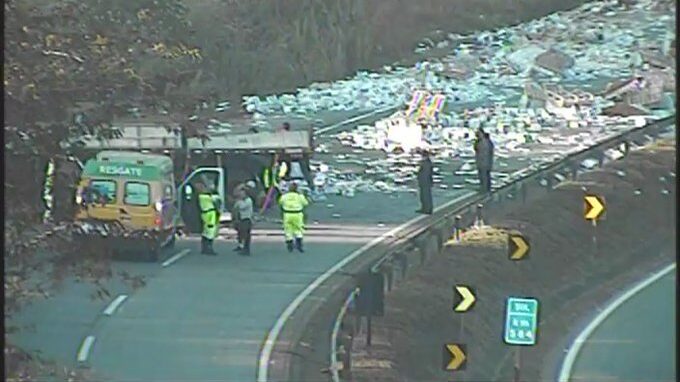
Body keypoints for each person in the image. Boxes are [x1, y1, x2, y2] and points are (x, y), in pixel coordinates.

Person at [278, 182, 309, 253]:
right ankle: (299, 245)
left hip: (287, 214)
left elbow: (280, 203)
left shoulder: (285, 196)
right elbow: (305, 203)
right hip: (297, 214)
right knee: (298, 229)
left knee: (288, 229)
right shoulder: (300, 196)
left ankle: (290, 245)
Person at [196, 182, 218, 255]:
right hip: (209, 214)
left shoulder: (201, 196)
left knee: (206, 231)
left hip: (206, 214)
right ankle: (209, 248)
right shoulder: (205, 197)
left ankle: (204, 248)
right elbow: (217, 200)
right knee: (210, 231)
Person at [232, 185, 254, 256]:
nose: (240, 195)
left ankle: (246, 249)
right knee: (240, 233)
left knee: (246, 235)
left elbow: (241, 207)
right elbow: (235, 208)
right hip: (241, 219)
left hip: (246, 219)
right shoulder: (241, 200)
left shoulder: (248, 201)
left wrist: (238, 202)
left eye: (242, 193)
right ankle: (241, 246)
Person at [416, 150, 433, 214]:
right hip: (424, 181)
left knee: (425, 196)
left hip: (425, 181)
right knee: (424, 195)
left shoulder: (426, 163)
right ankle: (425, 208)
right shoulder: (427, 162)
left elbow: (425, 173)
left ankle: (427, 209)